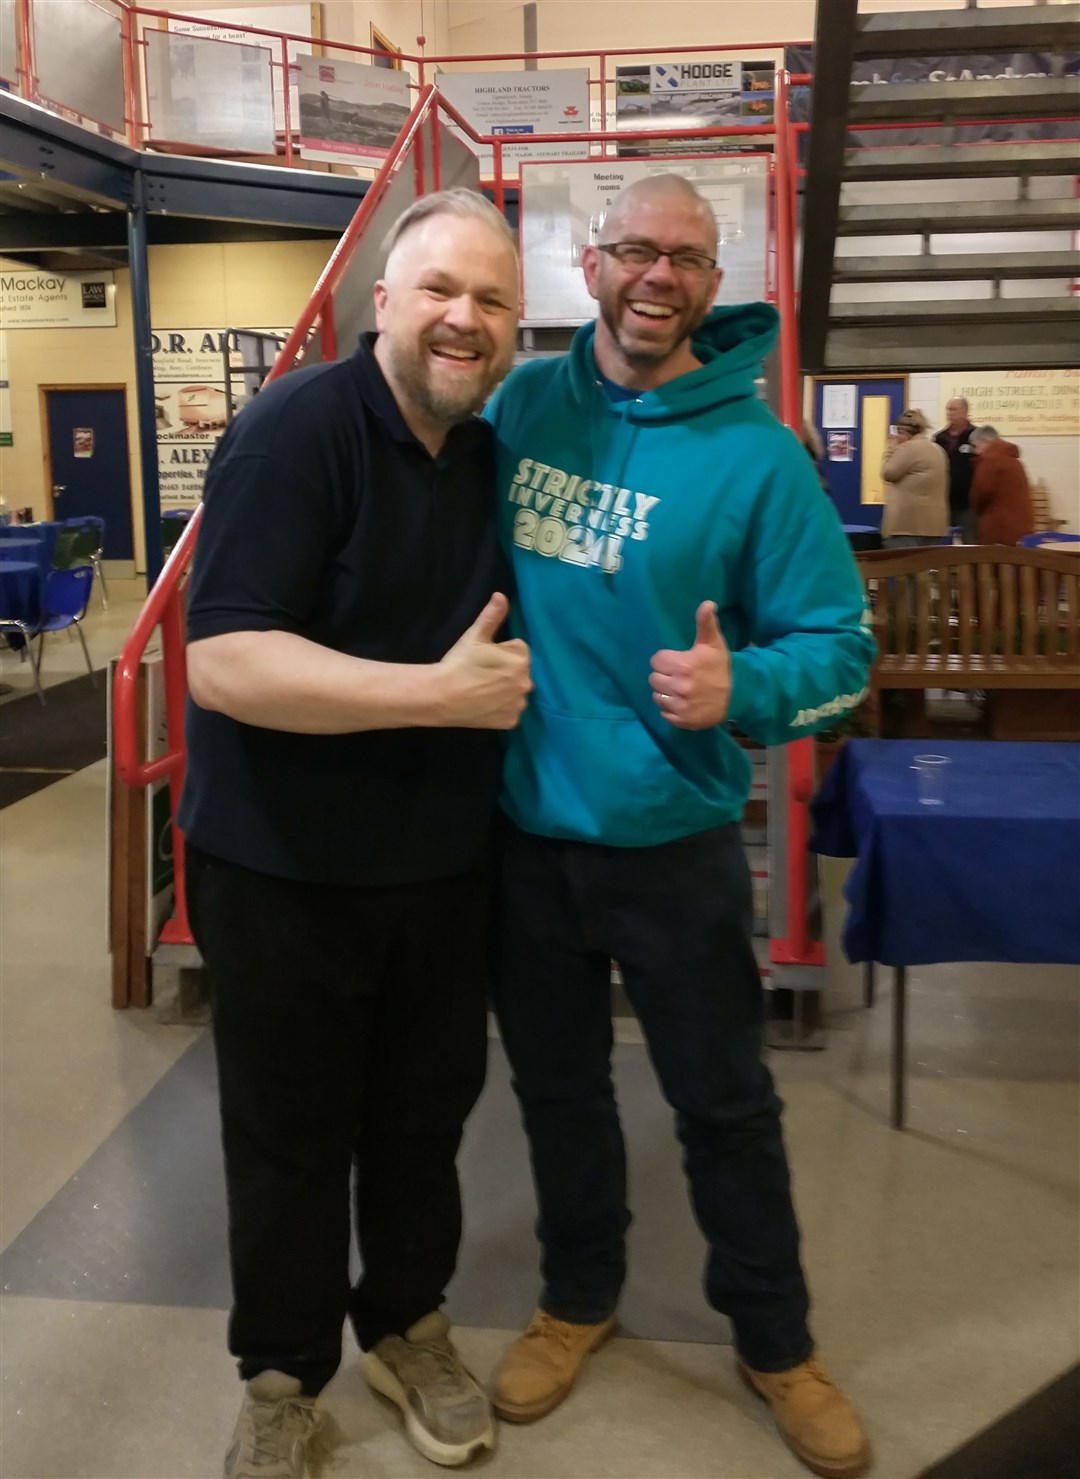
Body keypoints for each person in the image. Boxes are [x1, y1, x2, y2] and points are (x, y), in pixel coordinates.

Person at [484, 173, 875, 1479]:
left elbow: (843, 648)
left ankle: (776, 1338)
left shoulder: (759, 453)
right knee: (557, 1091)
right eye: (637, 251)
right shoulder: (522, 405)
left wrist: (743, 688)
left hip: (678, 847)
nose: (660, 276)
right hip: (525, 835)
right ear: (590, 266)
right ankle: (578, 1295)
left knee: (725, 1100)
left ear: (714, 284)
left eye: (688, 260)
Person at [179, 188, 530, 1479]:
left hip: (435, 867)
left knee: (422, 1120)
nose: (464, 318)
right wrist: (434, 698)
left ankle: (408, 1324)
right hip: (280, 868)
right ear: (380, 300)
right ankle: (280, 1374)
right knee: (286, 1134)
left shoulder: (483, 455)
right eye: (440, 288)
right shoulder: (296, 434)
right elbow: (226, 662)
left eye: (492, 301)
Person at [881, 408, 949, 548]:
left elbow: (888, 473)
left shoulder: (907, 448)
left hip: (908, 526)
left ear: (902, 432)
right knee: (927, 567)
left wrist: (890, 449)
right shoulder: (938, 449)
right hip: (934, 526)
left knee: (904, 568)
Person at [968, 424, 1036, 545]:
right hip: (1021, 527)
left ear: (985, 441)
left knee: (992, 562)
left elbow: (980, 492)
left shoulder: (989, 460)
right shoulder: (1013, 460)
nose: (975, 451)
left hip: (1000, 528)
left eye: (975, 446)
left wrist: (974, 506)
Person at [933, 396, 978, 541]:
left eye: (953, 409)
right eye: (948, 409)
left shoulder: (976, 436)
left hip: (968, 504)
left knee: (969, 543)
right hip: (943, 502)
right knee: (943, 545)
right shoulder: (939, 438)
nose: (949, 413)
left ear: (965, 412)